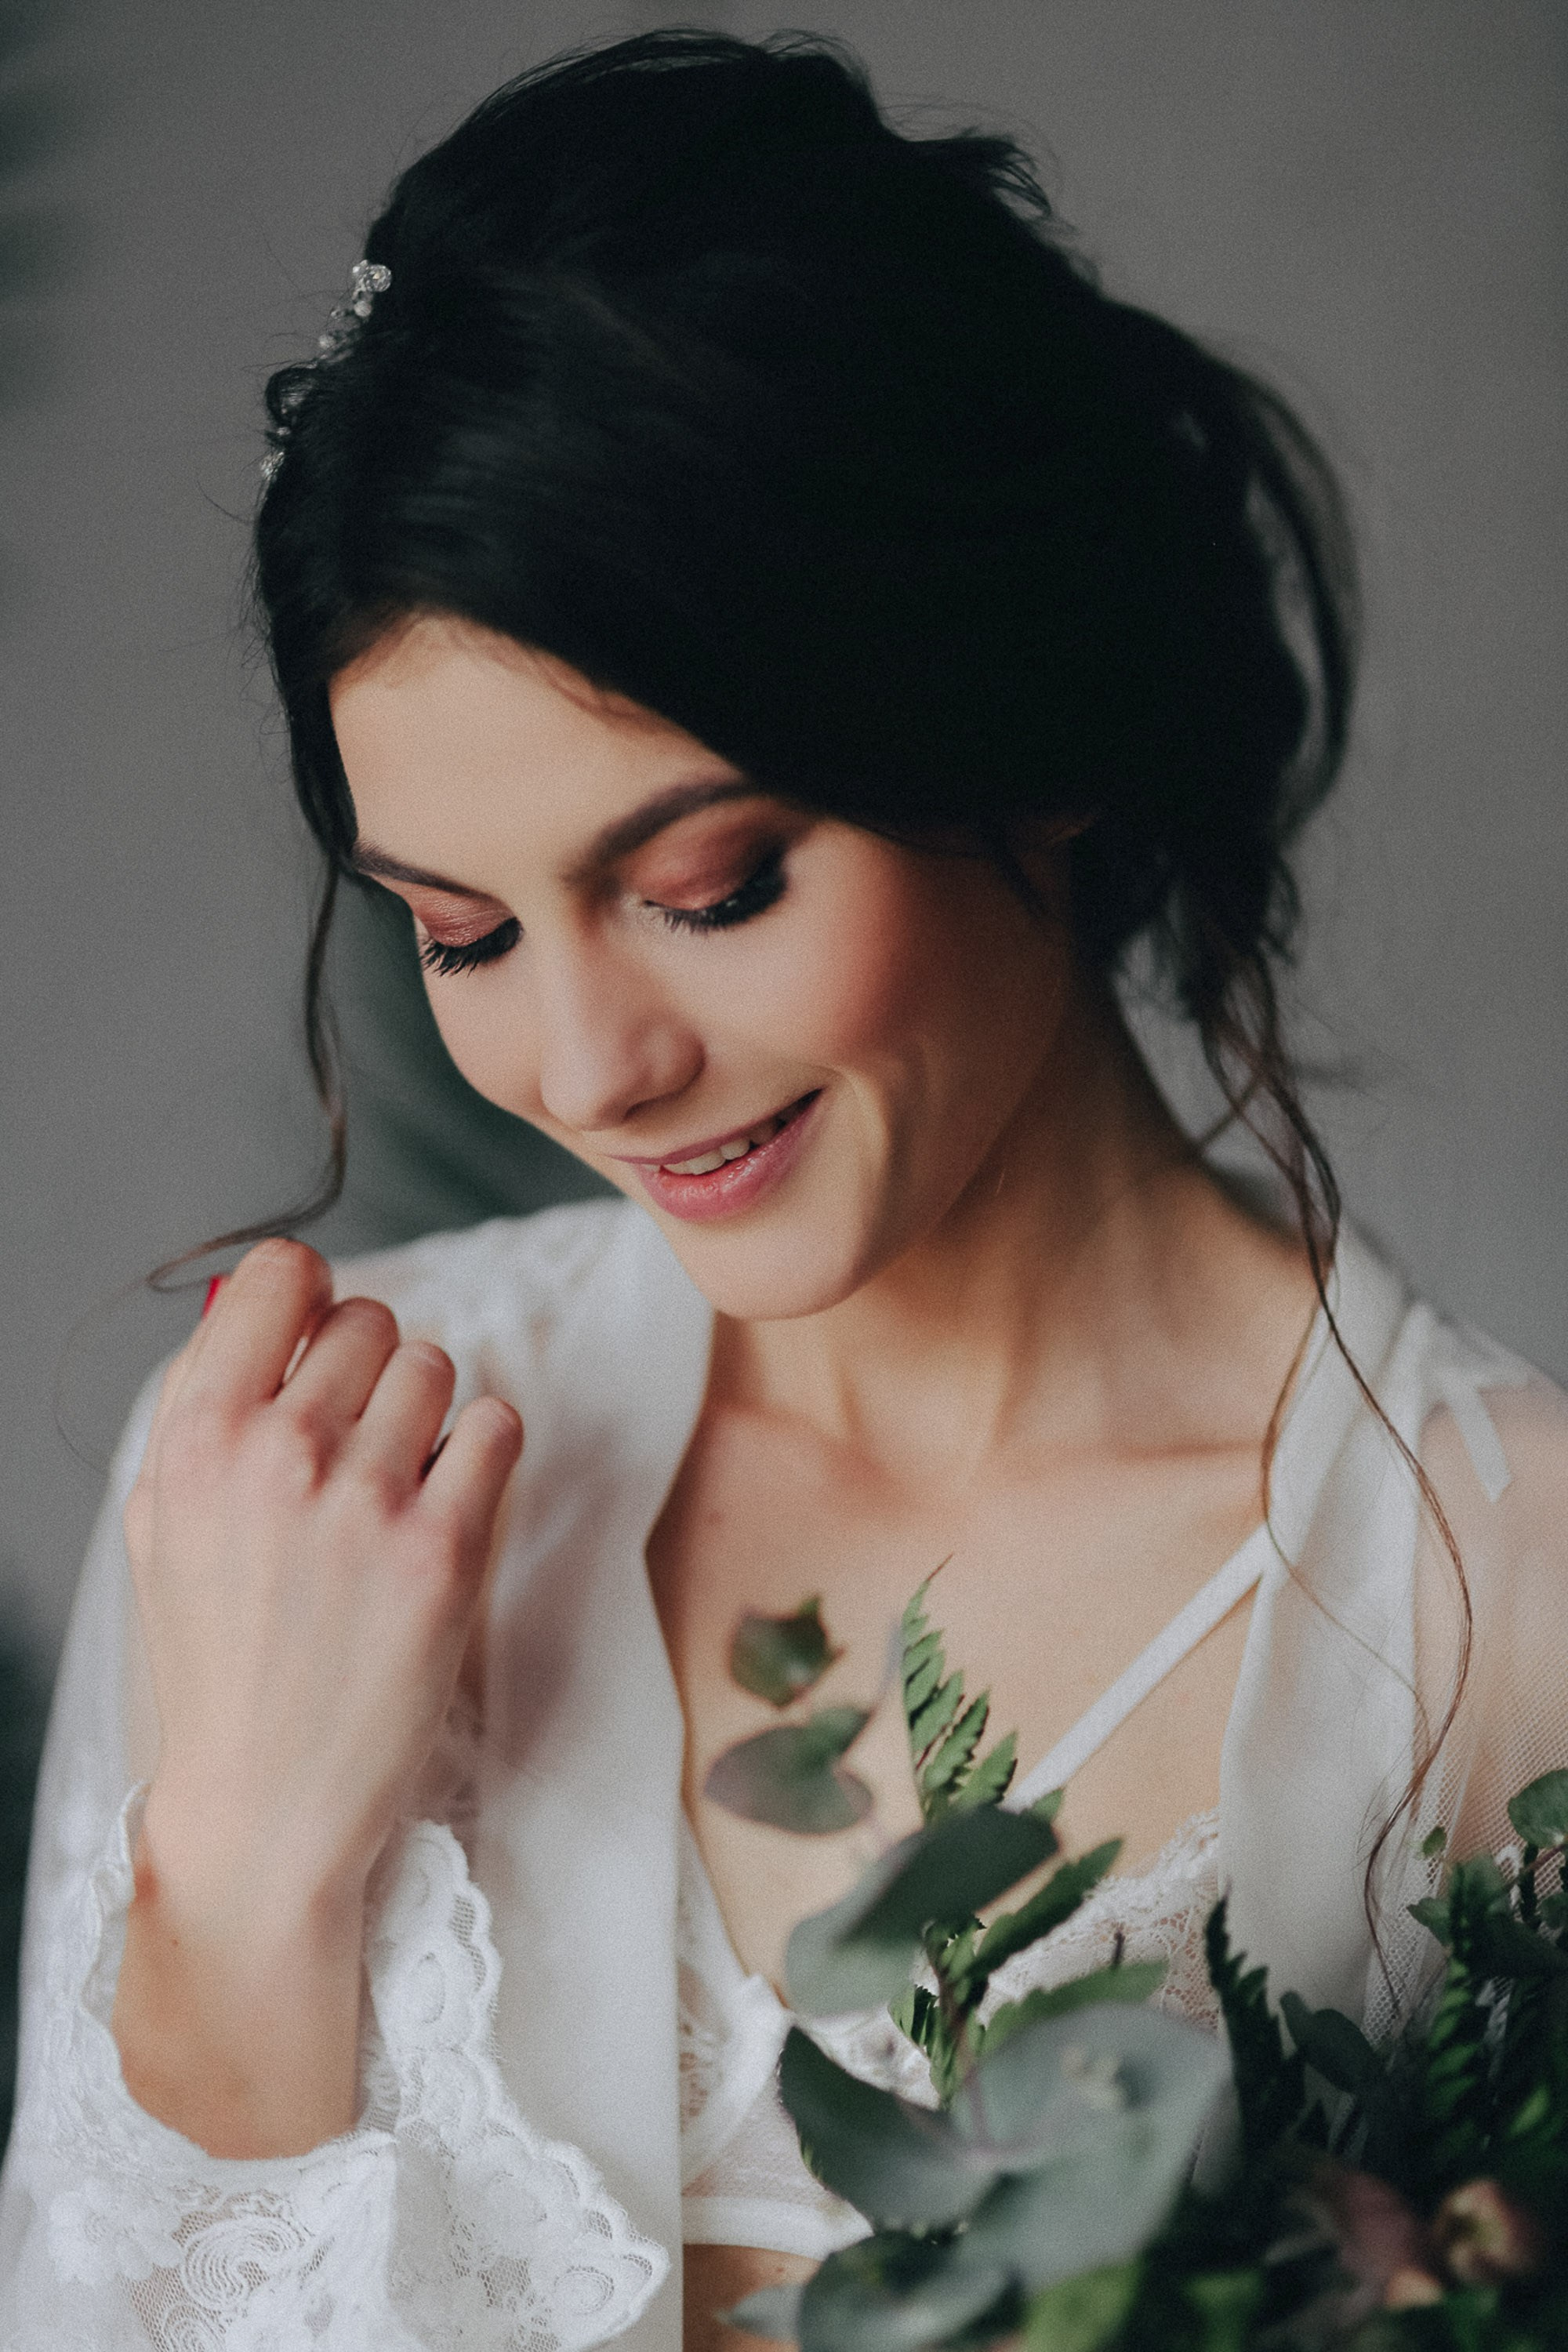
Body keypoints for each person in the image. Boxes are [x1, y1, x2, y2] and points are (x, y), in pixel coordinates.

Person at [1, 28, 1563, 2352]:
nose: (594, 1068)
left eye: (712, 886)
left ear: (1031, 717)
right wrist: (236, 1880)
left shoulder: (1505, 1610)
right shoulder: (296, 1499)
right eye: (463, 934)